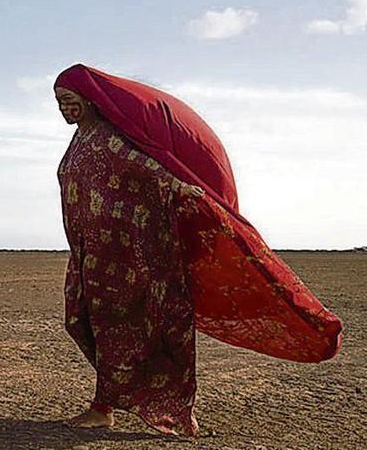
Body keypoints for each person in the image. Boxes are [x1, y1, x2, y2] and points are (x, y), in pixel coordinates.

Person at [54, 64, 342, 436]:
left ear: (90, 99)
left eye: (69, 100)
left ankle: (117, 407)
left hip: (130, 258)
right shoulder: (79, 142)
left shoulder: (110, 138)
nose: (64, 109)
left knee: (125, 330)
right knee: (81, 321)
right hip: (90, 256)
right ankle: (114, 399)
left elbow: (150, 170)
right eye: (59, 103)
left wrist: (185, 189)